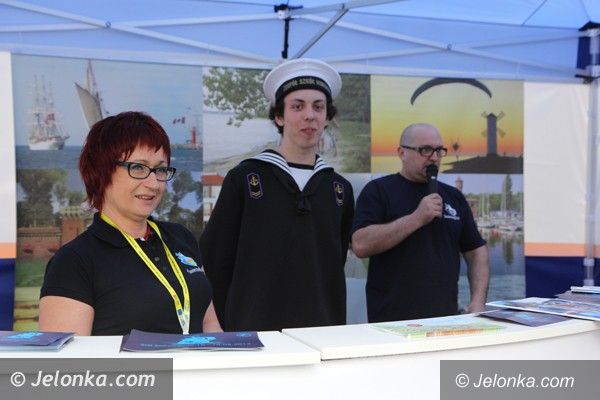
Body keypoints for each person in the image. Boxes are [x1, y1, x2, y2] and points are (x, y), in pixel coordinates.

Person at [199, 58, 354, 331]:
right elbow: (215, 260)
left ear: (327, 117)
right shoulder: (245, 179)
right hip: (253, 332)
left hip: (322, 332)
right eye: (297, 106)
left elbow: (334, 261)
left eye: (318, 107)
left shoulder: (339, 189)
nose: (310, 115)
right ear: (279, 117)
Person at [39, 111, 222, 335]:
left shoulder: (181, 238)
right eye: (138, 168)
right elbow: (70, 356)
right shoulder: (74, 261)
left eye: (160, 169)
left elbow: (209, 325)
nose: (154, 183)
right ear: (102, 171)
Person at [352, 123, 489, 323]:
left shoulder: (454, 197)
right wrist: (416, 218)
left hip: (445, 320)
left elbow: (476, 251)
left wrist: (478, 301)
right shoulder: (378, 191)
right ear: (402, 153)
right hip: (392, 323)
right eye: (425, 150)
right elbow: (360, 245)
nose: (434, 157)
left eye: (439, 150)